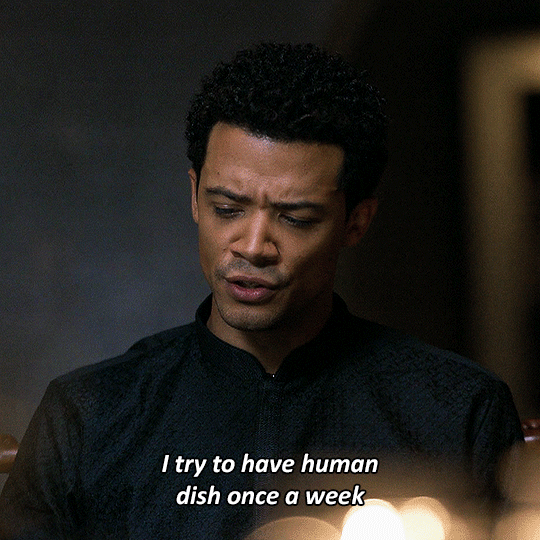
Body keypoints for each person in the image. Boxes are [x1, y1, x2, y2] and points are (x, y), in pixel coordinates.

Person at [0, 42, 523, 539]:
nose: (253, 247)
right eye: (227, 208)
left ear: (356, 221)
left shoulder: (457, 410)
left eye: (295, 219)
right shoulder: (88, 414)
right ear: (195, 197)